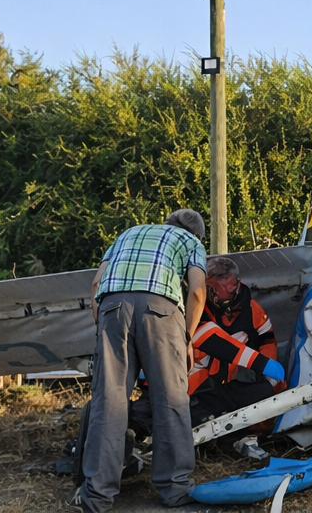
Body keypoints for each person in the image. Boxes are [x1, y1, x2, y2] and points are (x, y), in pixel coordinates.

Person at [79, 210, 208, 511]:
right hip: (160, 310)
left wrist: (105, 326)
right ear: (196, 233)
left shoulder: (127, 234)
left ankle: (96, 496)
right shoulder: (190, 241)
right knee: (171, 400)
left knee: (108, 402)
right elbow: (198, 292)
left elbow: (97, 284)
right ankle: (175, 489)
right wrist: (187, 337)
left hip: (112, 307)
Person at [188, 256, 287, 426]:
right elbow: (218, 343)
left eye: (233, 285)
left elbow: (266, 339)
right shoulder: (196, 311)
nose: (232, 290)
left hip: (225, 388)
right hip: (193, 393)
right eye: (222, 288)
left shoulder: (251, 310)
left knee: (265, 391)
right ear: (208, 288)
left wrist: (269, 376)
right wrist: (262, 363)